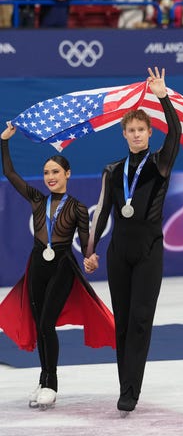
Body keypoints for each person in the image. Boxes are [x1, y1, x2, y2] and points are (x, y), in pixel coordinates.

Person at [84, 66, 182, 416]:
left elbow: (177, 134)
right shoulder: (113, 171)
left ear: (149, 133)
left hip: (149, 251)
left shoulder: (160, 164)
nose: (137, 134)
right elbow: (102, 214)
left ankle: (130, 391)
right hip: (118, 252)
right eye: (131, 130)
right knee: (123, 321)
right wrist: (91, 250)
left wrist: (163, 97)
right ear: (124, 134)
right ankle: (125, 384)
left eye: (142, 130)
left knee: (140, 319)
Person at [0, 123, 115, 410]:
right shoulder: (37, 200)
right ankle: (43, 378)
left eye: (55, 171)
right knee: (40, 325)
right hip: (37, 264)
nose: (50, 177)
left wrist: (91, 256)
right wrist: (4, 142)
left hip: (63, 265)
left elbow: (87, 240)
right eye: (47, 172)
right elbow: (10, 174)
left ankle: (51, 383)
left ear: (67, 174)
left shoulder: (76, 207)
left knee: (47, 322)